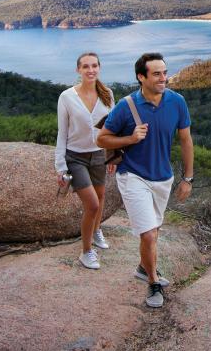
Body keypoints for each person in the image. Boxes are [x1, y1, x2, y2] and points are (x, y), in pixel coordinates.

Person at [97, 52, 194, 308]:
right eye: (157, 74)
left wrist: (188, 178)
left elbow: (186, 140)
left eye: (165, 72)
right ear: (141, 77)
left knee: (154, 231)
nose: (164, 78)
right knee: (149, 234)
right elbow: (102, 138)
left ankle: (143, 266)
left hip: (163, 177)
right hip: (132, 175)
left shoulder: (177, 102)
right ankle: (153, 282)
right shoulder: (126, 106)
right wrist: (130, 139)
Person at [55, 52, 116, 270]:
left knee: (101, 196)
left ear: (99, 67)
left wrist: (112, 154)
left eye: (94, 66)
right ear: (78, 70)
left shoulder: (107, 94)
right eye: (86, 66)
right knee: (92, 204)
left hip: (99, 154)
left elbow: (112, 127)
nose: (91, 70)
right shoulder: (67, 97)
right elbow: (62, 133)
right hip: (75, 157)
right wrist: (60, 167)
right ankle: (86, 251)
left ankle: (96, 229)